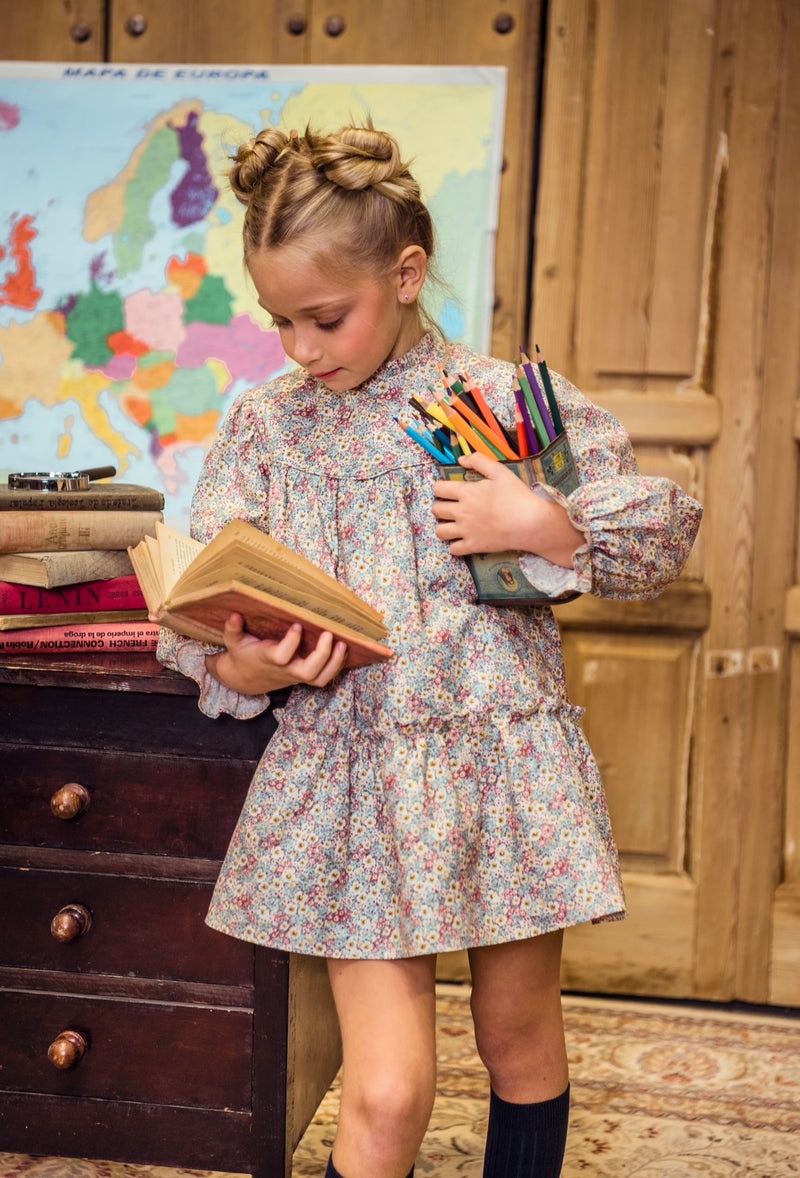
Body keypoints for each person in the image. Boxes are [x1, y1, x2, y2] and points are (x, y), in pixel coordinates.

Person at [157, 121, 702, 1178]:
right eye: (280, 324)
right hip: (353, 777)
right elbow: (210, 622)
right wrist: (248, 665)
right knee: (389, 1088)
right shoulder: (265, 428)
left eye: (324, 317)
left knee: (517, 1037)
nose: (303, 349)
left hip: (498, 770)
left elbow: (654, 536)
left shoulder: (498, 404)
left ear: (406, 275)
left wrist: (544, 521)